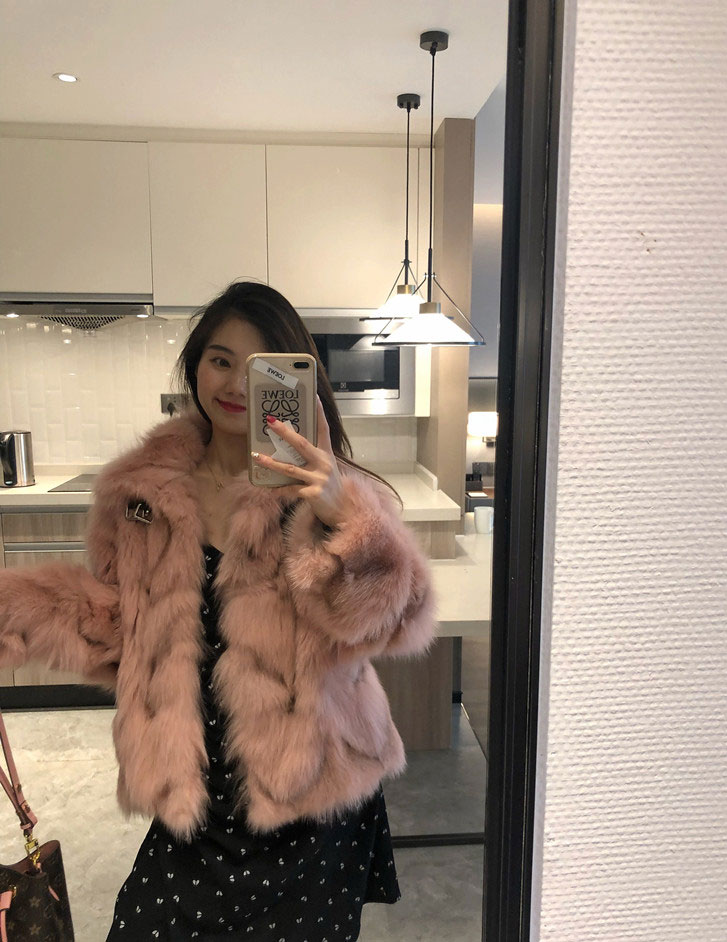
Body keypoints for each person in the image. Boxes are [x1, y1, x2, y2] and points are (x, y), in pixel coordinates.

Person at [0, 281, 437, 941]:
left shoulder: (326, 493)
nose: (235, 383)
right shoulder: (139, 494)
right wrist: (16, 615)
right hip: (195, 797)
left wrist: (341, 515)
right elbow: (118, 628)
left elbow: (398, 620)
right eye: (220, 360)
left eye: (260, 367)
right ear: (195, 366)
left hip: (309, 796)